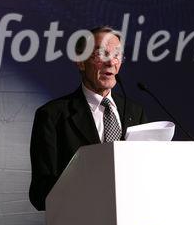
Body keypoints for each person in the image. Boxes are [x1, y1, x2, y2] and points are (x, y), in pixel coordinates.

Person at [29, 26, 147, 210]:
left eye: (116, 55)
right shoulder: (52, 116)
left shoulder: (135, 112)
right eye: (101, 54)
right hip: (82, 224)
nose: (110, 63)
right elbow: (40, 193)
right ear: (80, 62)